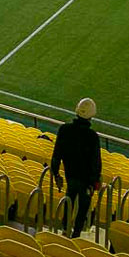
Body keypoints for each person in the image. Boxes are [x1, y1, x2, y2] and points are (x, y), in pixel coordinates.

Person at [48, 97, 103, 238]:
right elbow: (95, 162)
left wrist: (56, 175)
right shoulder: (92, 137)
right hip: (85, 181)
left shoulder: (64, 129)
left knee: (69, 201)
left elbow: (56, 155)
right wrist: (94, 181)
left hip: (70, 176)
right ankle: (76, 234)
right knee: (83, 208)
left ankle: (66, 230)